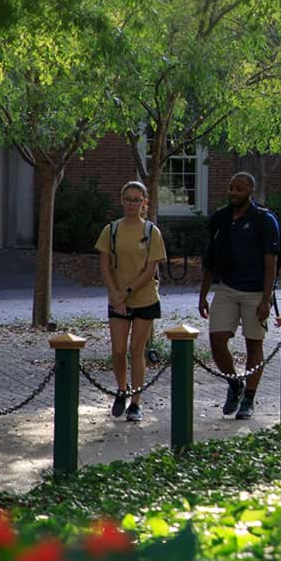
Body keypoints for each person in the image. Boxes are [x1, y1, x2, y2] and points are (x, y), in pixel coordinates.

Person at [198, 172, 281, 420]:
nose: (234, 193)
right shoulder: (220, 219)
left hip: (256, 291)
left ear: (250, 192)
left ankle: (249, 398)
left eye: (240, 189)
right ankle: (235, 384)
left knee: (253, 343)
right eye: (231, 188)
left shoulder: (265, 220)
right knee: (217, 340)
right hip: (226, 288)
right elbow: (209, 260)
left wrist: (266, 300)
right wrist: (203, 295)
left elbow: (271, 264)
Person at [96, 181, 165, 423]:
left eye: (137, 200)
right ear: (122, 200)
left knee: (137, 350)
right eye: (128, 199)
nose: (132, 204)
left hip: (143, 298)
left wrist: (126, 292)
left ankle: (136, 401)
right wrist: (115, 294)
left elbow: (150, 270)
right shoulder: (111, 230)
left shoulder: (151, 232)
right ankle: (121, 389)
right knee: (118, 350)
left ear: (144, 202)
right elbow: (104, 265)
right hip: (118, 299)